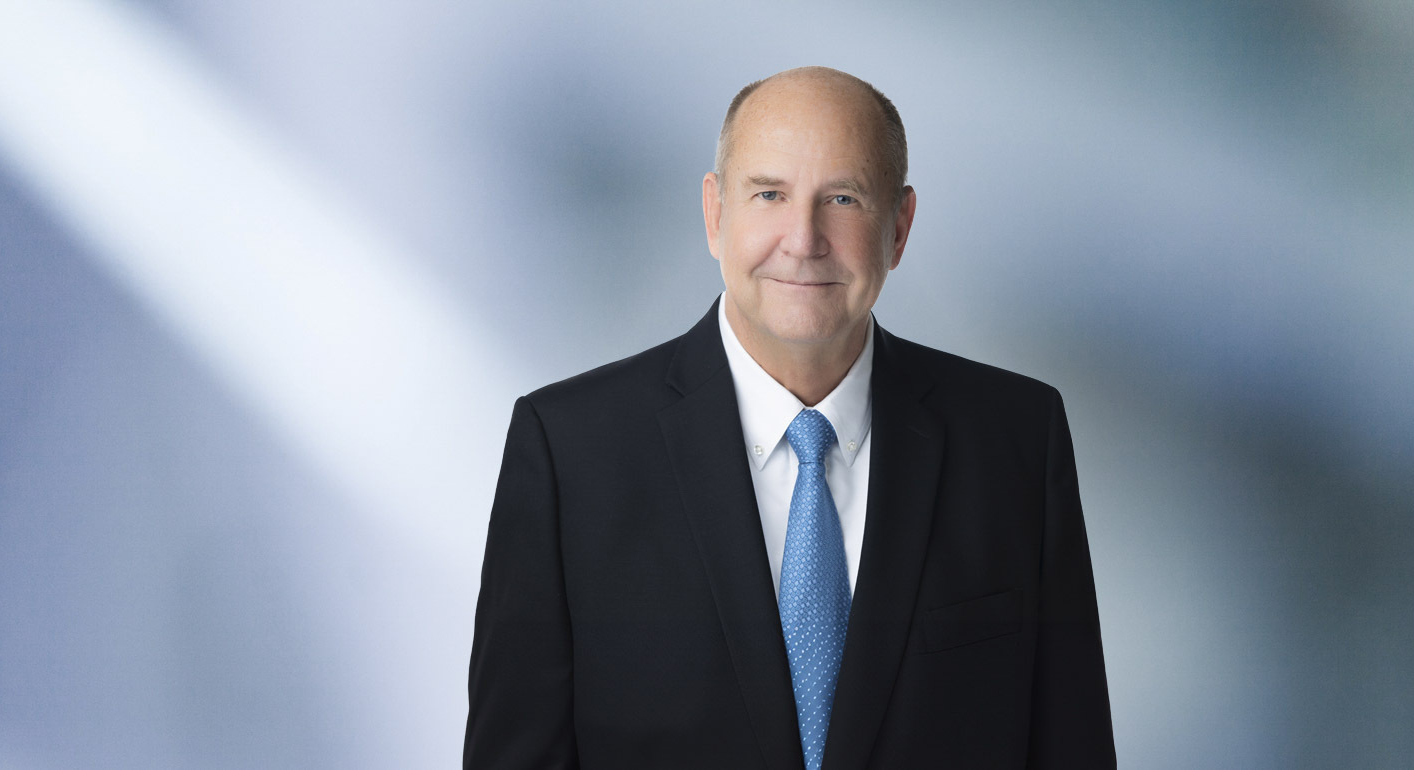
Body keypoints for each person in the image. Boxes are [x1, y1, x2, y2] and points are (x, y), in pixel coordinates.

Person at [465, 66, 1115, 769]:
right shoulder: (569, 452)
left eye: (842, 197)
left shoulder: (1018, 440)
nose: (804, 239)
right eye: (769, 194)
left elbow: (1071, 746)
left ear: (899, 226)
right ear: (715, 214)